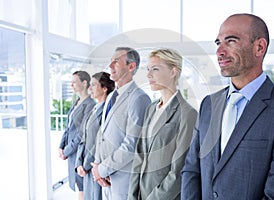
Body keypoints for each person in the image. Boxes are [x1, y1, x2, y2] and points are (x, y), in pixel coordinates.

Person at [181, 13, 274, 199]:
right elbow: (191, 170)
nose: (220, 51)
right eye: (218, 43)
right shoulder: (209, 105)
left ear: (259, 47)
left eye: (231, 41)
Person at [127, 48, 197, 200]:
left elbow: (178, 170)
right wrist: (132, 195)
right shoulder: (151, 109)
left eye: (155, 69)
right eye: (148, 69)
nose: (149, 75)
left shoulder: (188, 114)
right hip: (141, 193)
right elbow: (139, 156)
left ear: (173, 72)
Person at [91, 47, 151, 200]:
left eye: (116, 61)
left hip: (123, 182)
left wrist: (102, 170)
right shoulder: (111, 96)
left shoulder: (139, 98)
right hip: (106, 179)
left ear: (131, 67)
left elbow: (132, 144)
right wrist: (97, 166)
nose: (110, 66)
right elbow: (102, 134)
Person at [75, 72, 115, 200]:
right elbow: (83, 137)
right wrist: (78, 163)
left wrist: (86, 165)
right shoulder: (94, 108)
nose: (90, 88)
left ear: (104, 88)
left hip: (94, 167)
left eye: (93, 85)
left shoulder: (107, 112)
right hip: (85, 166)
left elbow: (99, 143)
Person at [59, 70, 96, 200]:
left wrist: (67, 151)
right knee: (77, 186)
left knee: (82, 187)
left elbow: (82, 134)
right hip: (70, 152)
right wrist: (61, 146)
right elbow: (68, 127)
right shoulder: (76, 103)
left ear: (84, 83)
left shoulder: (90, 105)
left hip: (79, 153)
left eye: (74, 82)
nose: (71, 85)